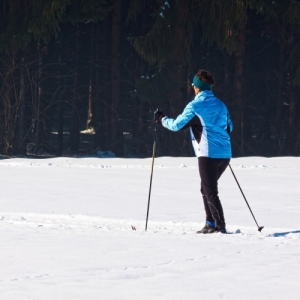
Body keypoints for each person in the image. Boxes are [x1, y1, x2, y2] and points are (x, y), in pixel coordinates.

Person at [154, 69, 233, 234]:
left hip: (207, 154)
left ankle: (219, 226)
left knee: (210, 190)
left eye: (193, 85)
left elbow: (176, 125)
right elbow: (229, 127)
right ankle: (210, 223)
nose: (192, 87)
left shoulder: (195, 106)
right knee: (205, 188)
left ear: (197, 88)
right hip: (225, 155)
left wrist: (162, 119)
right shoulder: (221, 105)